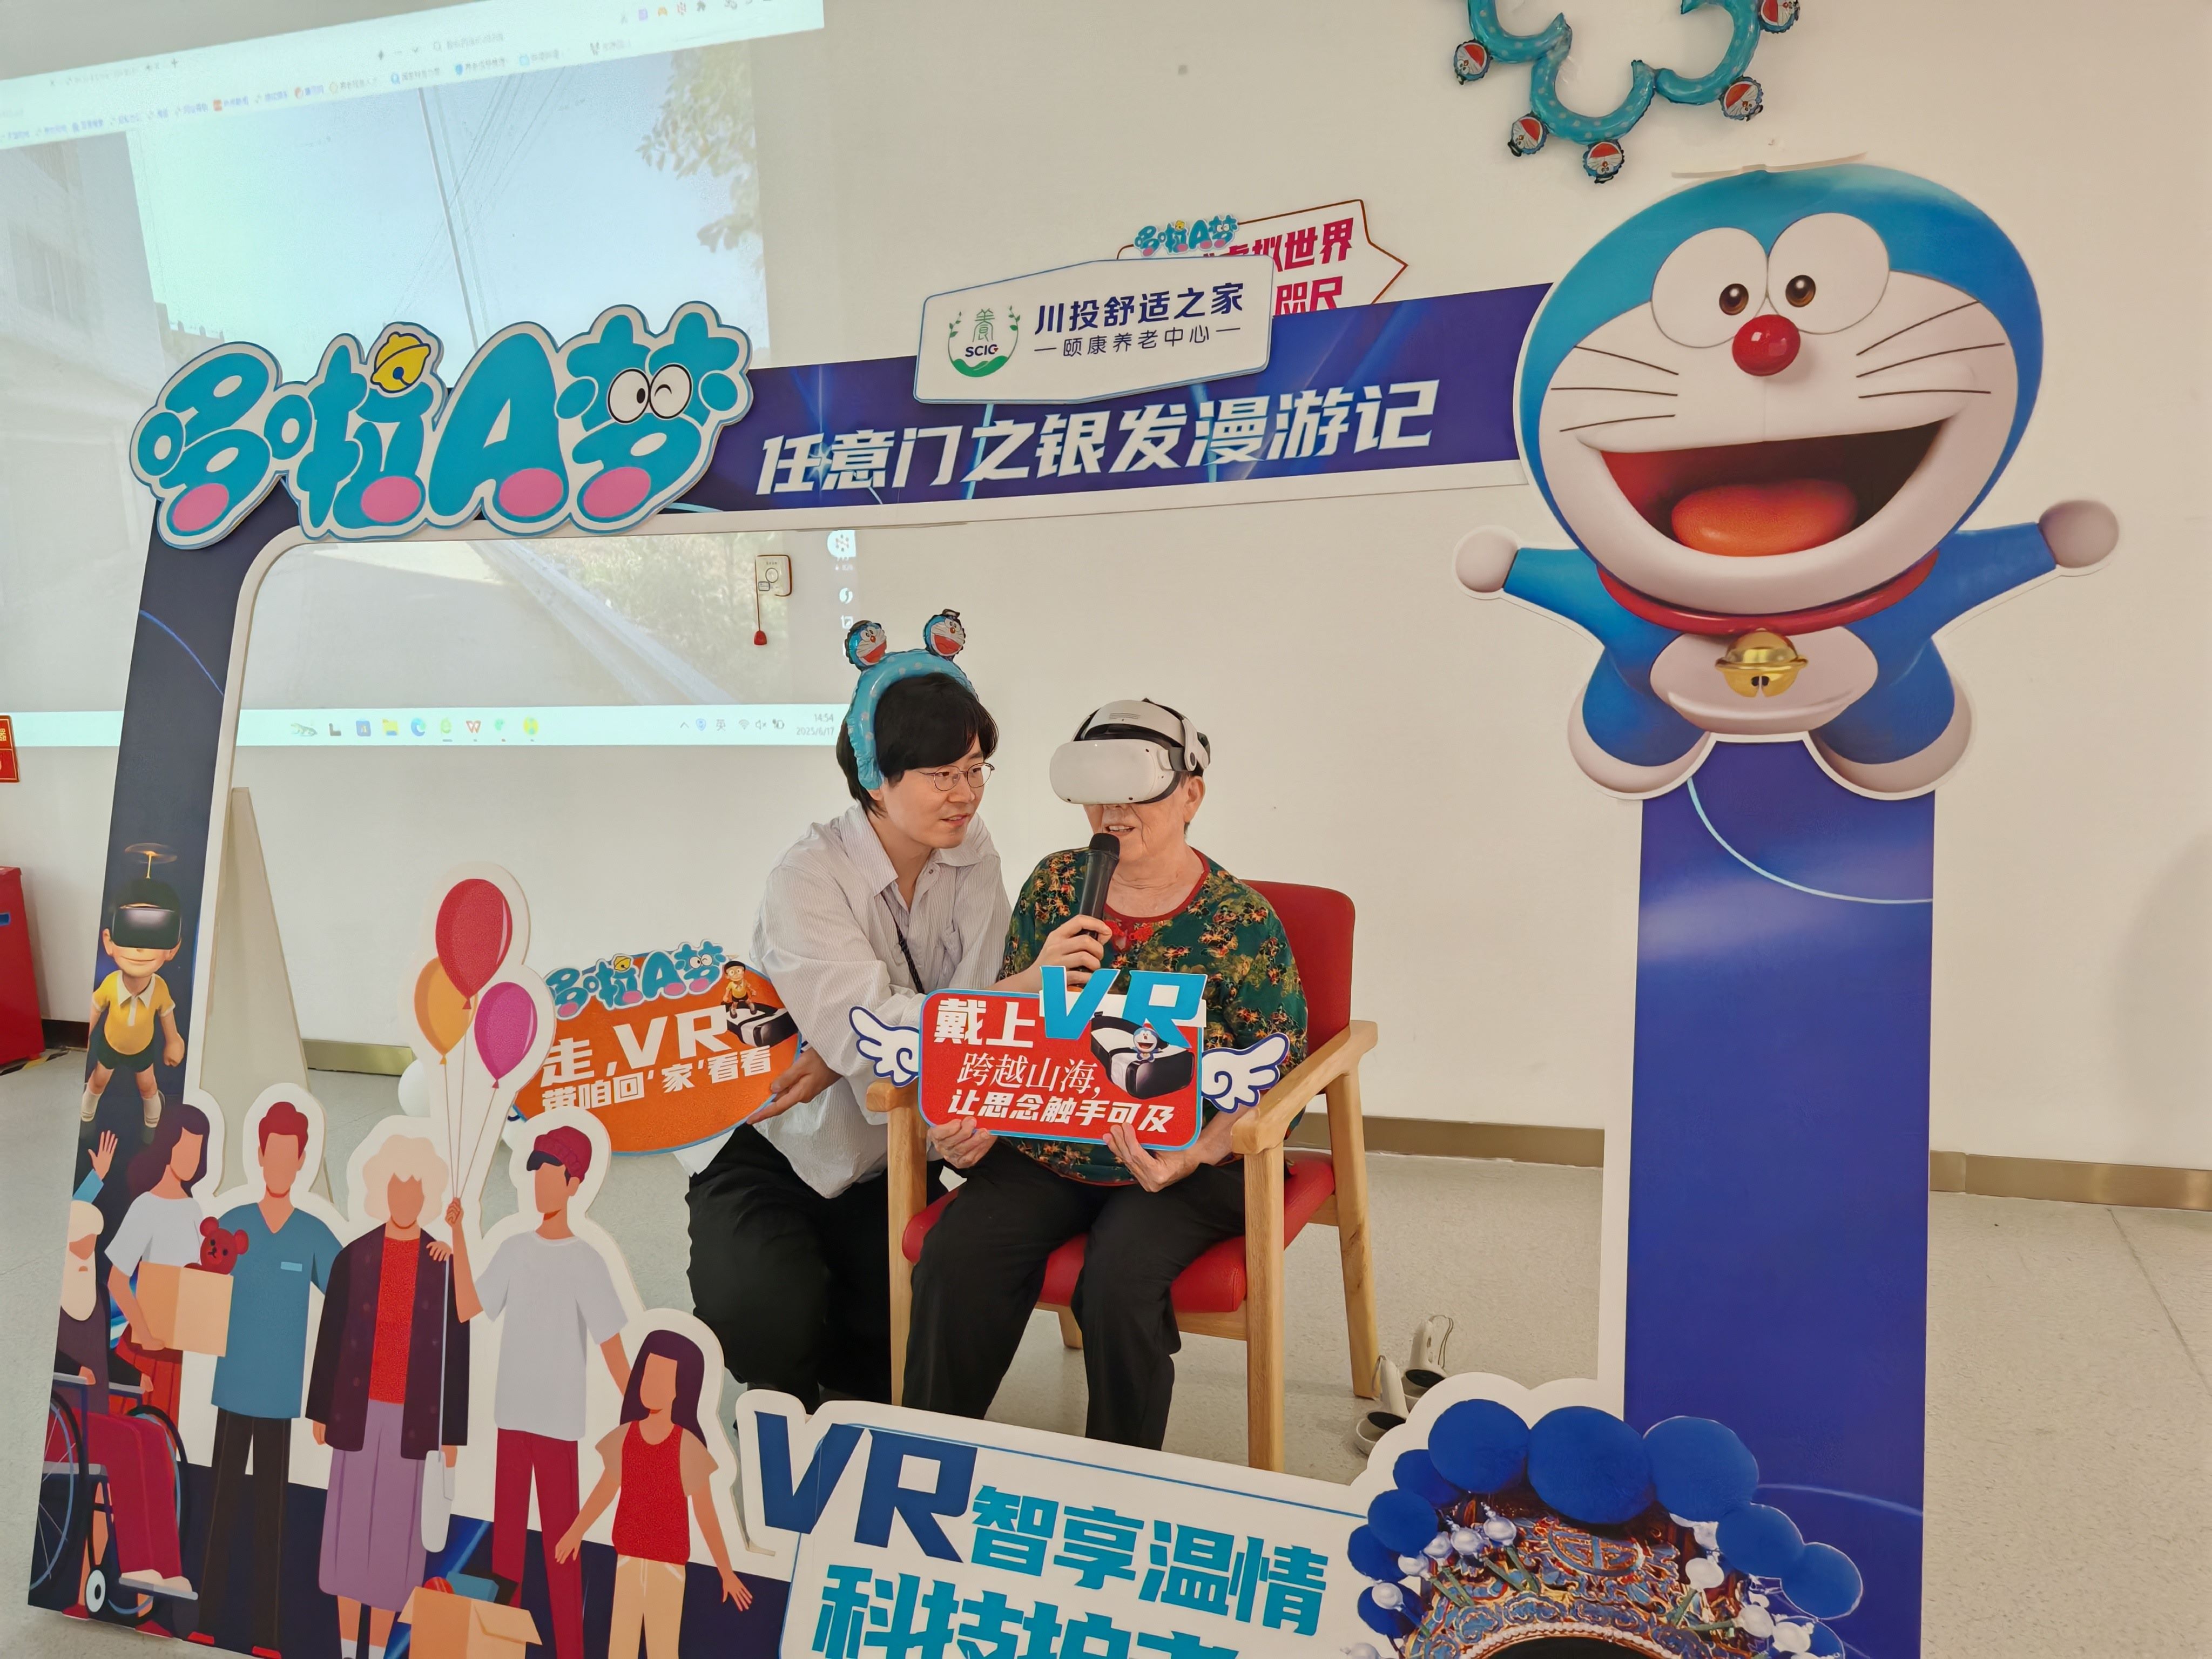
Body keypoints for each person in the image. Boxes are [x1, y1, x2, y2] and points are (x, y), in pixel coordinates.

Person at [684, 618, 1106, 1407]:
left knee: (889, 1366)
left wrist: (957, 1104)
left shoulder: (972, 853)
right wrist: (1022, 987)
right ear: (876, 776)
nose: (965, 794)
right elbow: (869, 1033)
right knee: (765, 1329)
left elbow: (965, 1033)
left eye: (976, 769)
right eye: (942, 774)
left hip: (892, 1155)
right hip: (780, 1149)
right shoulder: (807, 877)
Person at [904, 699, 1307, 1448]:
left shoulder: (1242, 920)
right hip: (1055, 1143)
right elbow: (1016, 1032)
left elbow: (1278, 1069)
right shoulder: (1057, 886)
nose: (1113, 814)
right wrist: (980, 1115)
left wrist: (1195, 1154)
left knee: (1119, 1284)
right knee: (957, 1258)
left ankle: (1124, 1481)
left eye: (1136, 794)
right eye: (1098, 794)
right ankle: (925, 1459)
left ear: (1190, 795)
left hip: (1182, 1156)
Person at [446, 1123, 630, 1659]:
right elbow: (467, 1307)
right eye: (536, 1174)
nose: (540, 1184)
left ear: (574, 1184)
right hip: (511, 1421)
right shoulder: (513, 1249)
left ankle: (569, 1651)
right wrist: (459, 1234)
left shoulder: (586, 1261)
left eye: (551, 1175)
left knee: (561, 1551)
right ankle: (502, 1651)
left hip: (557, 1428)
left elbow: (613, 1348)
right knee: (506, 1555)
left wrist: (642, 1421)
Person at [189, 1100, 342, 1658]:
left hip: (280, 1401)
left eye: (289, 1154)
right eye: (271, 1152)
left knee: (270, 1521)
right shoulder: (232, 1225)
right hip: (233, 1391)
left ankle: (267, 1638)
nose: (279, 1164)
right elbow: (199, 1293)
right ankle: (205, 1623)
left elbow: (350, 1292)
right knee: (221, 1509)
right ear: (259, 1155)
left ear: (301, 1160)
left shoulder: (313, 1235)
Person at [306, 1135, 468, 1659]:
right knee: (348, 1535)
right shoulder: (354, 1257)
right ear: (382, 1191)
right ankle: (345, 1646)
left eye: (414, 1191)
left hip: (413, 1423)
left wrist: (452, 1435)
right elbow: (330, 1336)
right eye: (396, 1189)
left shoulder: (441, 1263)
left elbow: (456, 1354)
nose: (404, 1200)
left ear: (427, 1196)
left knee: (395, 1547)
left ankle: (377, 1652)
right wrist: (319, 1410)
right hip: (354, 1413)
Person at [555, 1328, 751, 1659]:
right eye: (648, 1374)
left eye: (662, 1378)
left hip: (668, 1569)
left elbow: (705, 1513)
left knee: (663, 1651)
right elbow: (606, 1489)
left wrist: (726, 1571)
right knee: (620, 1650)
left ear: (681, 1389)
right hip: (628, 1561)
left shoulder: (687, 1446)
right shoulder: (625, 1437)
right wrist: (576, 1531)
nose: (651, 1384)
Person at [107, 1103, 212, 1426]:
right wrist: (145, 1333)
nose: (192, 1160)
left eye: (198, 1151)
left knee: (166, 1439)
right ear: (168, 1145)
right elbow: (116, 1281)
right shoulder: (146, 1206)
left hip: (178, 1352)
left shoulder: (194, 1209)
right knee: (135, 1435)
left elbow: (196, 1279)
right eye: (186, 1149)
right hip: (144, 1351)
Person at [82, 875, 188, 1141]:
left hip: (142, 1049)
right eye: (131, 930)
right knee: (98, 1080)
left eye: (155, 933)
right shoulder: (110, 984)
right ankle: (86, 1116)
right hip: (111, 1044)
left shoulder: (160, 988)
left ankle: (152, 1128)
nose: (140, 948)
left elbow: (167, 1015)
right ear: (109, 941)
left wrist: (173, 1040)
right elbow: (95, 1008)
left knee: (148, 1086)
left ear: (172, 948)